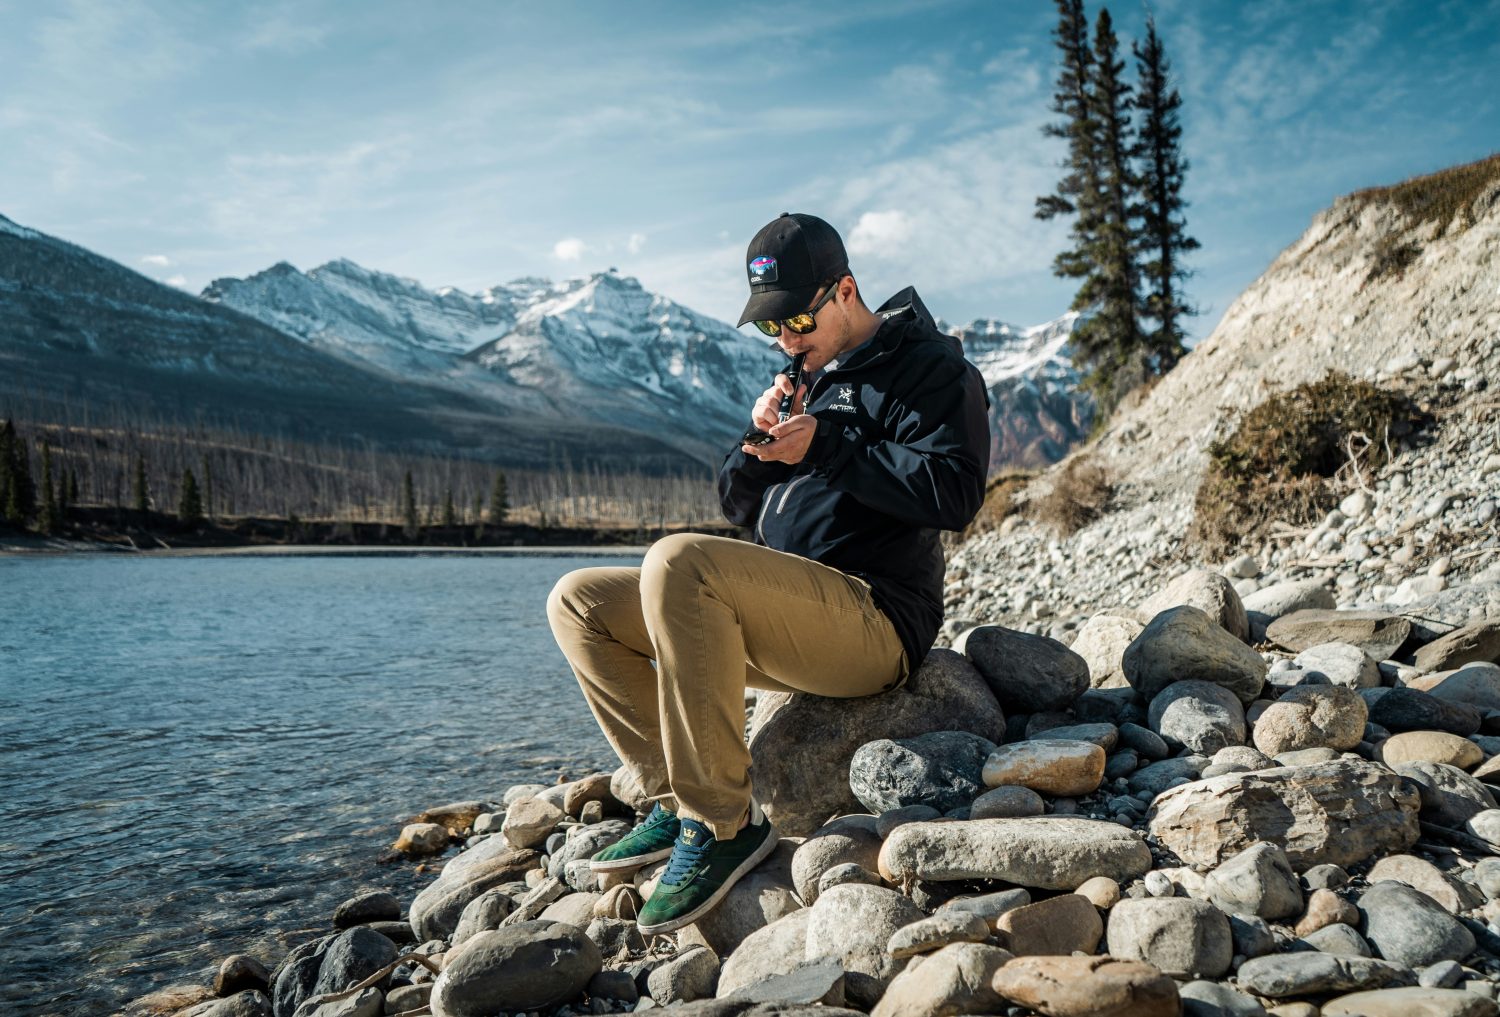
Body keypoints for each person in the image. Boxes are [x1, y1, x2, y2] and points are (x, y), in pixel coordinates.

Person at [546, 212, 990, 935]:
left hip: (873, 616)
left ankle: (723, 825)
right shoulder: (807, 374)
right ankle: (676, 800)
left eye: (797, 319)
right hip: (783, 613)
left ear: (845, 291)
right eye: (770, 326)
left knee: (678, 561)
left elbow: (956, 495)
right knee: (578, 602)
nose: (786, 339)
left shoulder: (931, 369)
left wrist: (830, 448)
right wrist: (756, 445)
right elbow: (735, 504)